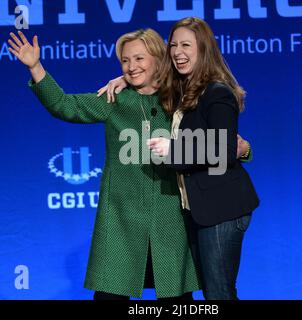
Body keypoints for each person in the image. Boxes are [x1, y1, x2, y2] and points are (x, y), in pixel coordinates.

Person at [7, 29, 201, 300]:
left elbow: (215, 134)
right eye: (125, 61)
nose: (131, 67)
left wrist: (243, 150)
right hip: (120, 221)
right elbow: (65, 105)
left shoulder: (183, 98)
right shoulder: (115, 99)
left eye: (139, 59)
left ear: (158, 58)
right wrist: (36, 67)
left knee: (176, 300)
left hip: (170, 221)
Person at [147, 17, 260, 300]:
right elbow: (146, 78)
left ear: (204, 49)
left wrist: (173, 151)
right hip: (199, 210)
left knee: (218, 292)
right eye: (173, 45)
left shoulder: (217, 92)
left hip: (222, 209)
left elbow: (222, 150)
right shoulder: (183, 90)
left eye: (186, 44)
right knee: (212, 292)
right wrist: (122, 78)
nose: (177, 52)